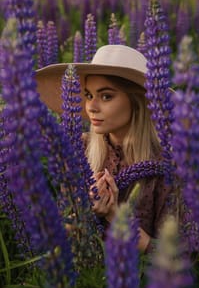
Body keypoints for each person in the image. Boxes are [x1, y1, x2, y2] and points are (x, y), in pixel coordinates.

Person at [36, 44, 178, 253]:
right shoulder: (78, 149)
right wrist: (82, 212)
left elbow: (177, 262)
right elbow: (57, 239)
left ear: (137, 102)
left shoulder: (168, 166)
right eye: (88, 95)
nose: (91, 106)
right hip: (82, 279)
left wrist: (115, 215)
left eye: (106, 96)